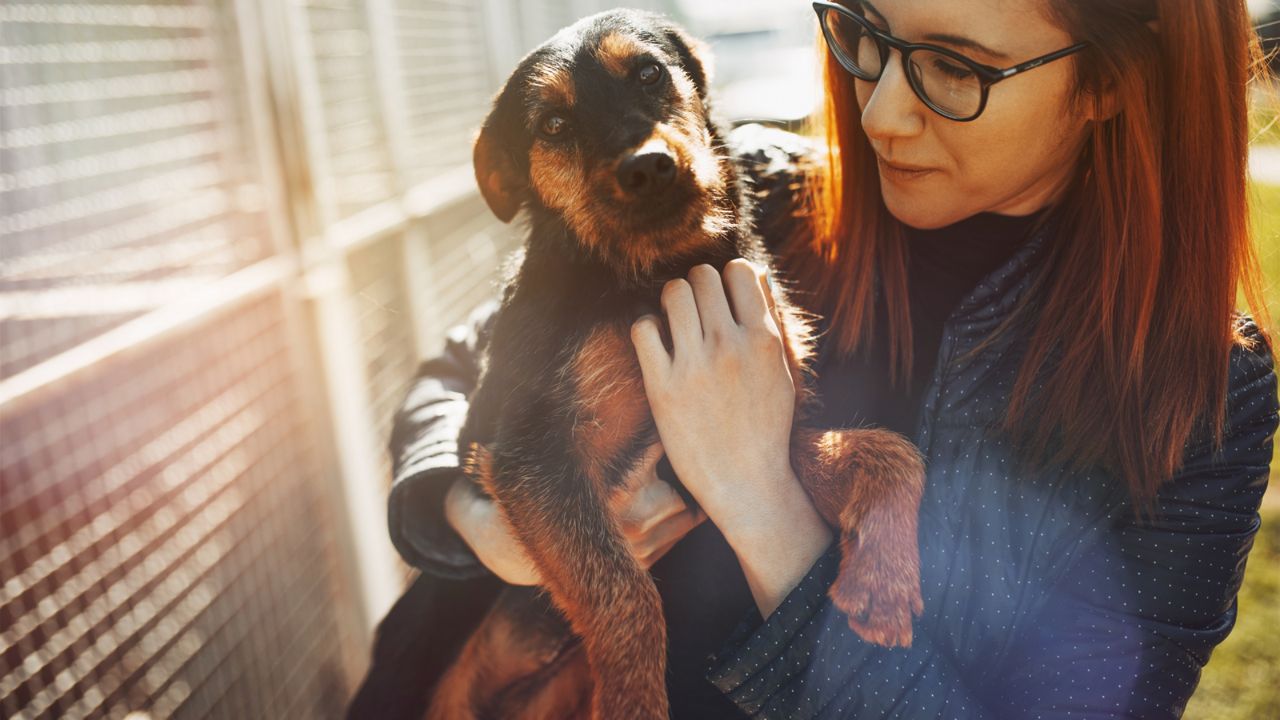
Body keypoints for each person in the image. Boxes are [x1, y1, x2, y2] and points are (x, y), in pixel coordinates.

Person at [347, 0, 1279, 717]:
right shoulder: (748, 189)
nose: (879, 112)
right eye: (864, 33)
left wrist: (761, 505)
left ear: (1115, 79)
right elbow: (463, 367)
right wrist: (475, 522)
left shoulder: (1207, 398)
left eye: (957, 67)